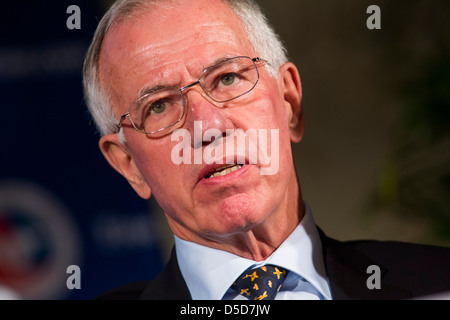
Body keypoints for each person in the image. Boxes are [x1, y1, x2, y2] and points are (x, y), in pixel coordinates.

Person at [82, 0, 450, 300]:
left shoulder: (438, 281)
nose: (208, 127)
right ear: (129, 164)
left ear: (289, 102)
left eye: (228, 78)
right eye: (159, 106)